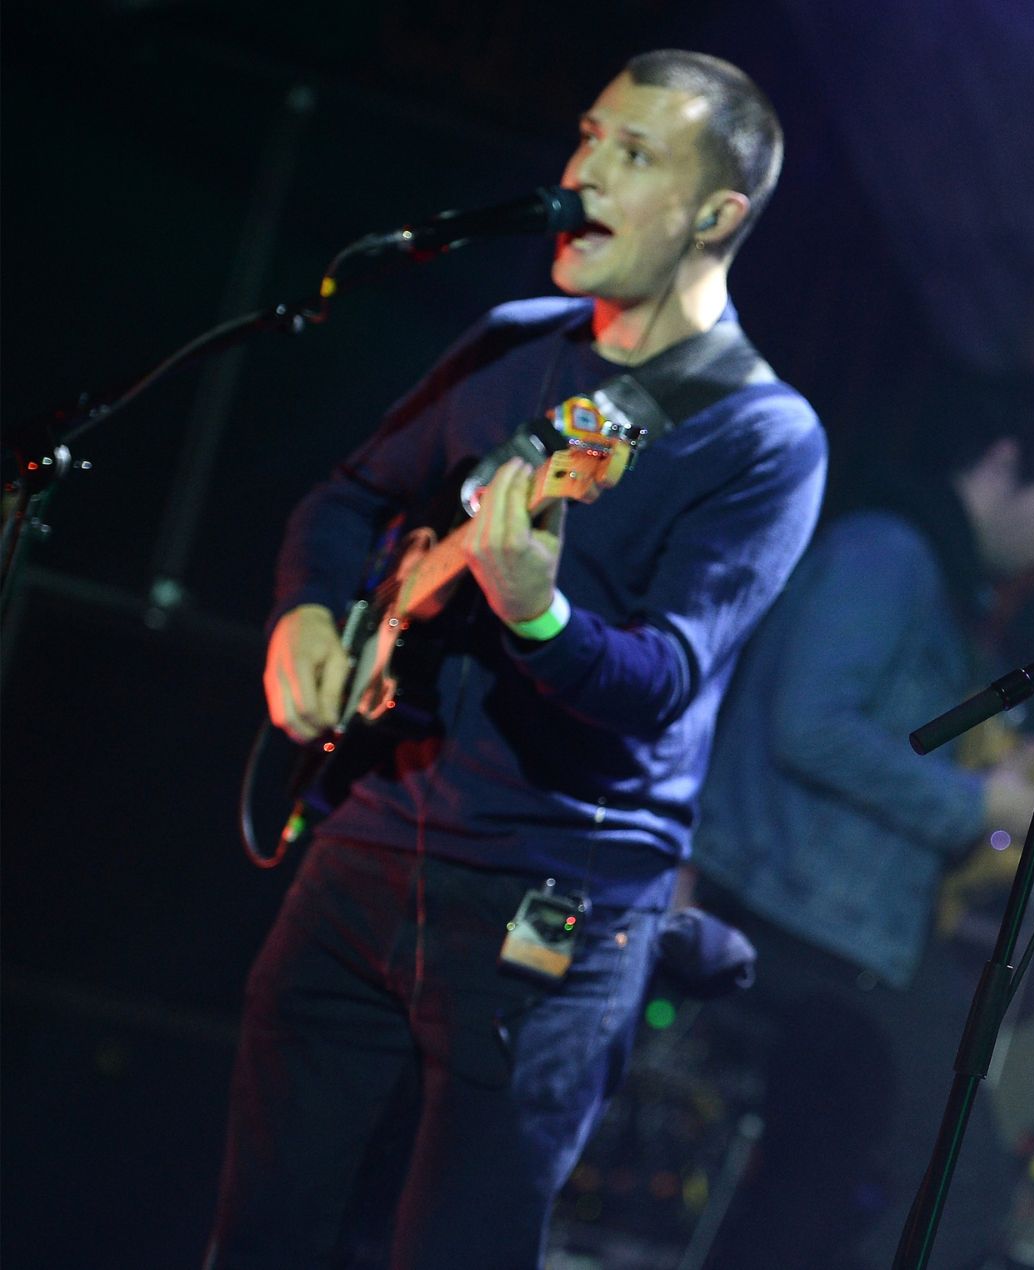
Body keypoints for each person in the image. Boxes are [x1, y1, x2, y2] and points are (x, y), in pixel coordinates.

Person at [207, 50, 826, 1268]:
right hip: (367, 847)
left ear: (718, 216)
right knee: (261, 1241)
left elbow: (657, 684)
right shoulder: (508, 344)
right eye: (588, 136)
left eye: (632, 156)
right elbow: (345, 500)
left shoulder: (760, 433)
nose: (581, 171)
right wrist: (307, 618)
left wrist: (535, 613)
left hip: (554, 906)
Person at [688, 376, 1034, 1269]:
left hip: (838, 923)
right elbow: (809, 724)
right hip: (793, 915)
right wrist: (976, 806)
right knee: (952, 1185)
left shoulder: (937, 583)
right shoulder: (888, 554)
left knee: (822, 1186)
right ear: (1004, 464)